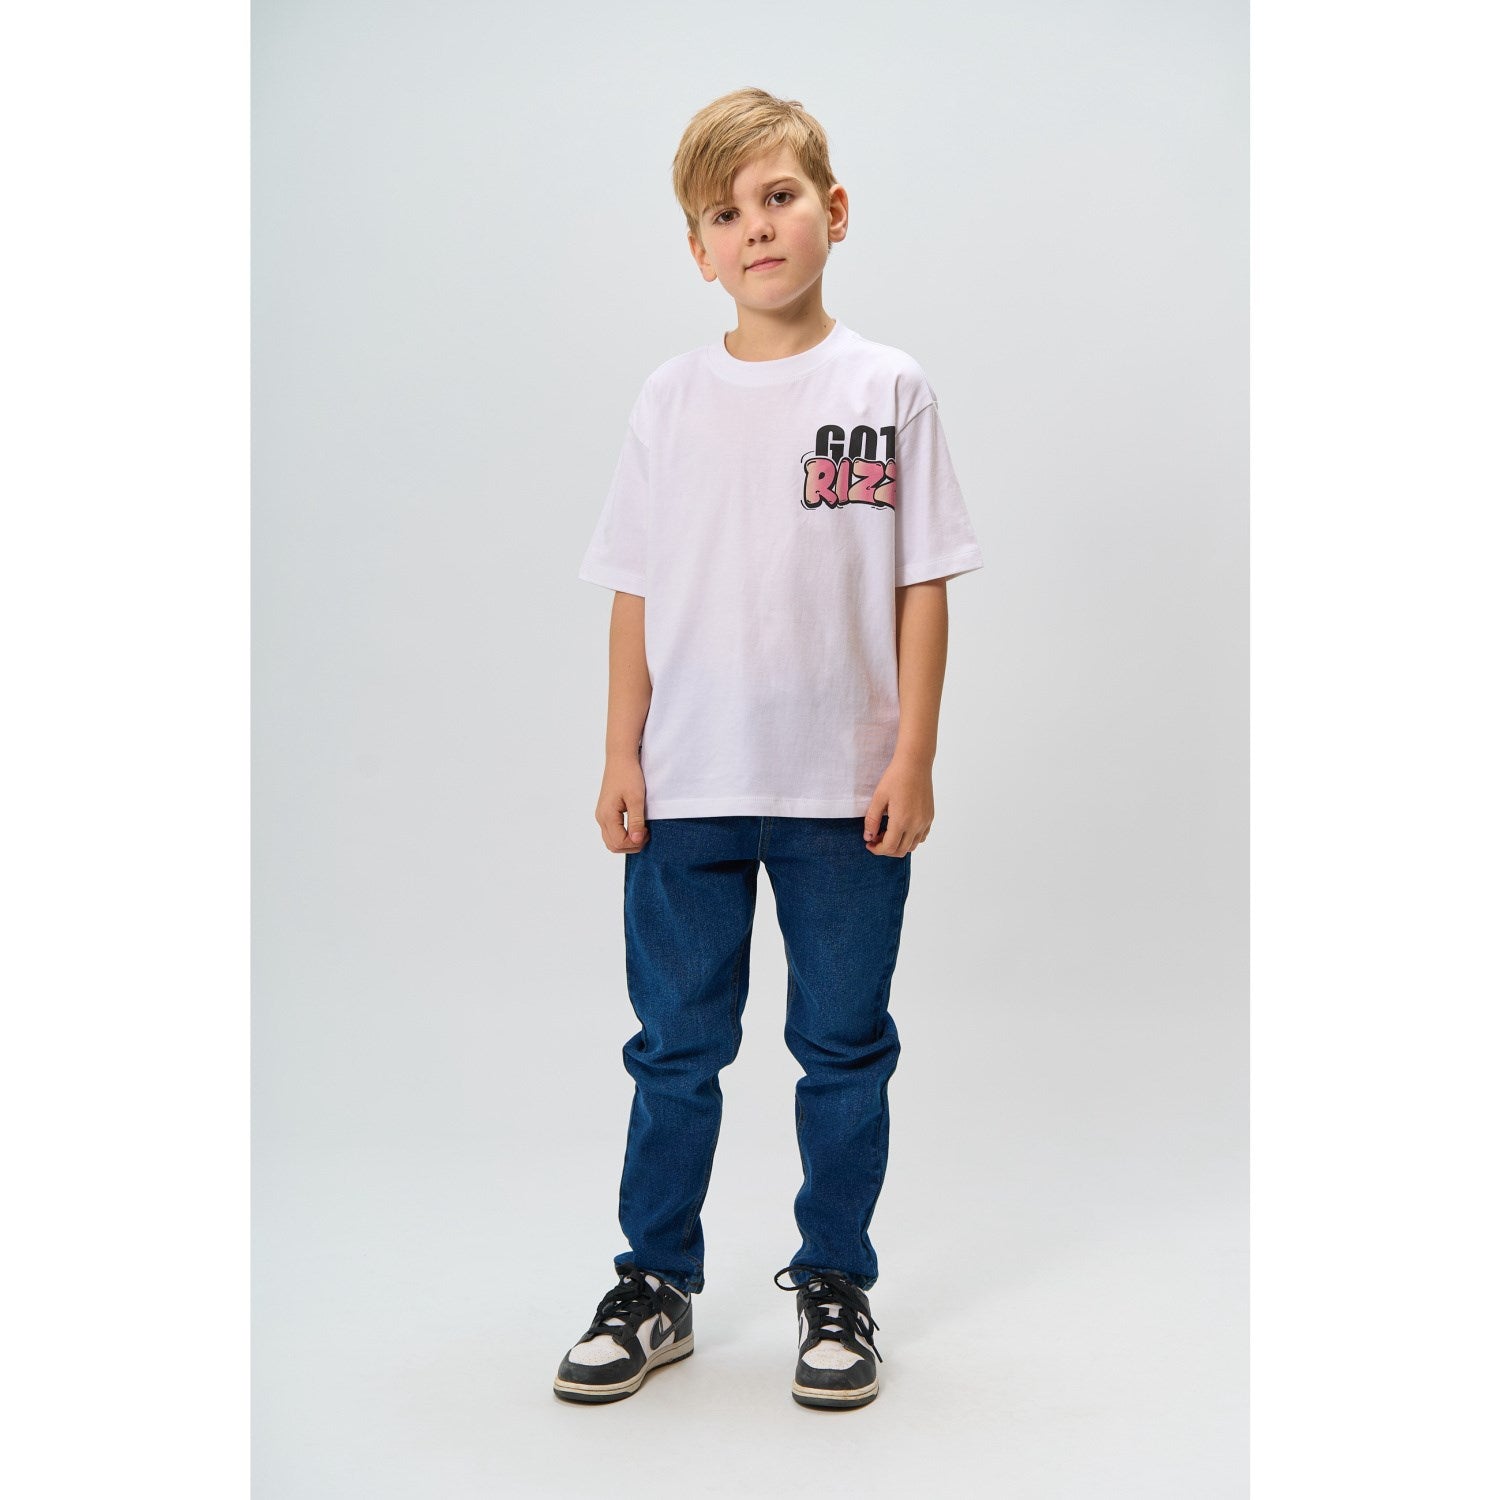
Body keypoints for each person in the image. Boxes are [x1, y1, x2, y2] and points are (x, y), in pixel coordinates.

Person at [553, 87, 984, 1412]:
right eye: (724, 213)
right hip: (688, 783)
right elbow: (635, 587)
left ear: (833, 212)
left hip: (842, 792)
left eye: (779, 197)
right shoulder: (670, 399)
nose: (756, 227)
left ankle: (836, 1282)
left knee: (843, 1048)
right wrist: (620, 753)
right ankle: (654, 1283)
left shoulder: (886, 386)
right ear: (699, 250)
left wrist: (912, 755)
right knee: (675, 1049)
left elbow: (922, 583)